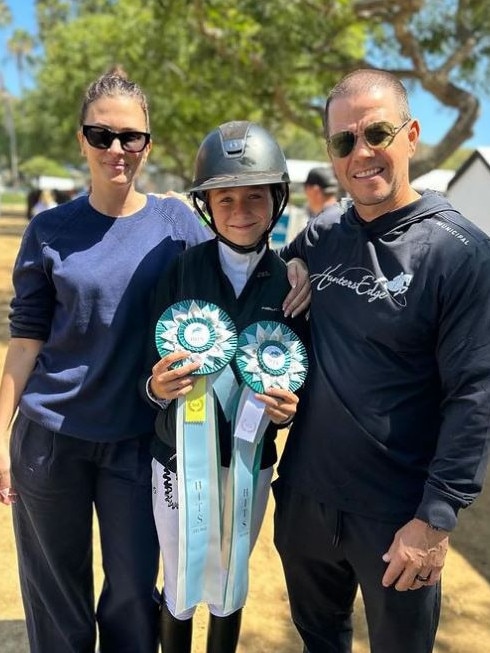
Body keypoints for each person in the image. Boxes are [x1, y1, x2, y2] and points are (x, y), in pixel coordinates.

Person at [0, 70, 309, 653]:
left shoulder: (177, 226)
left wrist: (296, 264)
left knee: (133, 592)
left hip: (136, 443)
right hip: (50, 440)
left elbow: (242, 238)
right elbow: (25, 342)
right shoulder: (48, 230)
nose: (116, 149)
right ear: (81, 140)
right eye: (101, 135)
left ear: (148, 143)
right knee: (55, 595)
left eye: (131, 137)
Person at [272, 68, 490, 653]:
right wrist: (282, 267)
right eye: (344, 141)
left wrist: (436, 518)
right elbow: (261, 289)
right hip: (305, 504)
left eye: (377, 133)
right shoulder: (318, 236)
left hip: (398, 517)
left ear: (411, 135)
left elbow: (476, 394)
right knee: (319, 639)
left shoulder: (460, 253)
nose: (361, 153)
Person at [143, 120, 309, 653]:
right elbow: (147, 370)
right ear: (206, 206)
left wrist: (286, 412)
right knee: (181, 580)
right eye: (225, 198)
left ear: (276, 200)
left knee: (230, 577)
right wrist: (157, 386)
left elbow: (299, 376)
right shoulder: (178, 271)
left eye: (254, 197)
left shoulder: (291, 284)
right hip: (176, 459)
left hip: (249, 462)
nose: (240, 211)